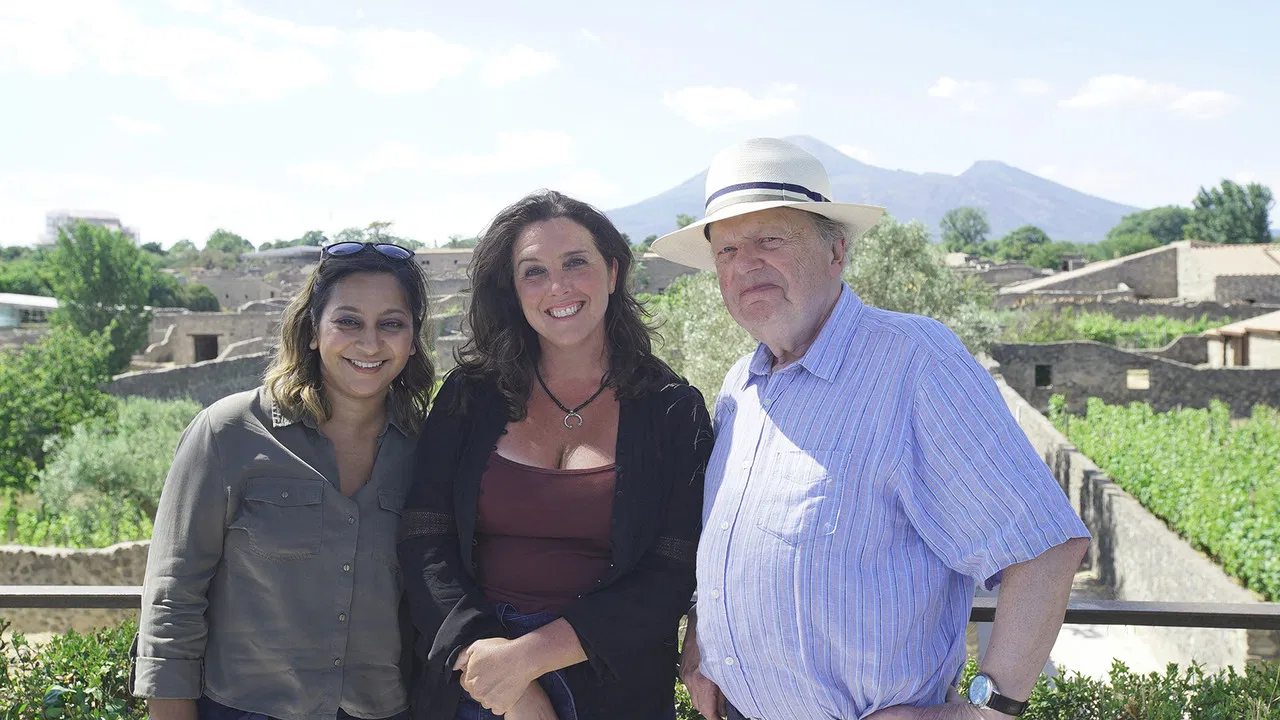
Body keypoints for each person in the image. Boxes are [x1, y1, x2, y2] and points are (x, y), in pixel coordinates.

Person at [651, 138, 1091, 720]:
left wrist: (988, 710)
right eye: (728, 249)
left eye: (771, 240)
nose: (746, 263)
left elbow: (1044, 545)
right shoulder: (740, 387)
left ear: (836, 251)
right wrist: (702, 640)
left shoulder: (914, 361)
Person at [397, 190, 713, 720]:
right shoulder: (469, 398)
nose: (558, 287)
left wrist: (533, 657)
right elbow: (424, 534)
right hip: (475, 674)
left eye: (575, 263)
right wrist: (498, 668)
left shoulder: (672, 411)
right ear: (513, 290)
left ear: (612, 272)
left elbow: (674, 567)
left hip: (612, 680)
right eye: (534, 272)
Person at [132, 241, 436, 720]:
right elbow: (174, 592)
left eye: (392, 324)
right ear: (313, 330)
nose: (370, 343)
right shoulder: (228, 432)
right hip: (244, 709)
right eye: (348, 321)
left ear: (414, 339)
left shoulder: (428, 450)